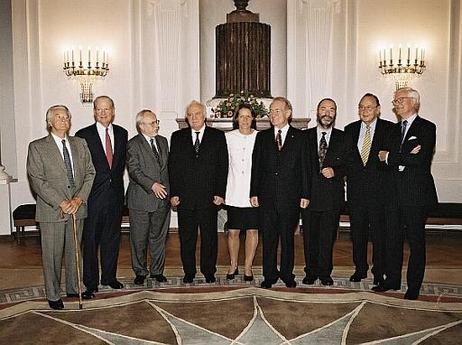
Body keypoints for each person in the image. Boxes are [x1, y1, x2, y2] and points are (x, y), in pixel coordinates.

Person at [27, 105, 95, 309]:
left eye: (66, 117)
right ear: (50, 122)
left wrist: (79, 199)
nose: (64, 120)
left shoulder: (80, 144)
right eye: (58, 117)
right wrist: (61, 202)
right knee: (52, 254)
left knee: (75, 251)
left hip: (77, 208)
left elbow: (90, 173)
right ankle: (53, 294)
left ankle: (75, 288)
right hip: (52, 210)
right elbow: (37, 180)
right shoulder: (37, 147)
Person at [376, 87, 438, 300]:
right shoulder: (392, 131)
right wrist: (402, 156)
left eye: (400, 100)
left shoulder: (427, 128)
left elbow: (419, 160)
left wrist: (393, 156)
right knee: (391, 240)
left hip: (416, 196)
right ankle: (392, 280)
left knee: (416, 242)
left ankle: (413, 286)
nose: (396, 104)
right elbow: (381, 160)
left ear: (414, 102)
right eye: (395, 101)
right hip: (392, 196)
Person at [250, 96, 310, 289]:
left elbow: (305, 169)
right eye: (271, 111)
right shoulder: (262, 137)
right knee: (268, 239)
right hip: (266, 198)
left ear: (288, 113)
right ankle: (269, 275)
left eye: (277, 110)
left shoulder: (300, 137)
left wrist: (305, 194)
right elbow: (256, 167)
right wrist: (254, 192)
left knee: (287, 239)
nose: (273, 114)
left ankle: (286, 274)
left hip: (290, 198)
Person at [168, 100, 228, 284]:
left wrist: (220, 192)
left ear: (204, 116)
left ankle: (209, 270)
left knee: (209, 238)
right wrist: (174, 193)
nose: (193, 118)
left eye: (197, 114)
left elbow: (222, 166)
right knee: (187, 238)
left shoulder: (217, 137)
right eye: (190, 115)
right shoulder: (177, 137)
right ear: (187, 118)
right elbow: (173, 167)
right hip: (185, 198)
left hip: (209, 197)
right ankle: (189, 272)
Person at [76, 96, 128, 299]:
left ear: (113, 110)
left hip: (115, 196)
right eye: (99, 109)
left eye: (107, 109)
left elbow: (120, 165)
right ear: (94, 112)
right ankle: (90, 282)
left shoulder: (122, 133)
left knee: (112, 239)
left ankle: (109, 277)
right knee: (89, 241)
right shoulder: (83, 135)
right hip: (92, 197)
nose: (103, 113)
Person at [344, 93, 394, 286]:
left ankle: (379, 270)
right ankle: (360, 269)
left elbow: (391, 161)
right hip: (356, 193)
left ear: (378, 109)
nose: (365, 111)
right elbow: (347, 160)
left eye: (369, 107)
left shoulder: (389, 129)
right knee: (357, 233)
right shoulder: (350, 130)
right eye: (362, 107)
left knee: (380, 234)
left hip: (380, 194)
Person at [301, 98, 350, 286]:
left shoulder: (343, 137)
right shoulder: (304, 137)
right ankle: (310, 271)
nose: (327, 113)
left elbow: (351, 165)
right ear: (317, 112)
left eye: (331, 109)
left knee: (327, 237)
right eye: (323, 109)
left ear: (335, 113)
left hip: (332, 197)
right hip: (309, 197)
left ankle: (325, 272)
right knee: (310, 237)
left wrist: (336, 171)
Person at [126, 110, 171, 285]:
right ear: (141, 126)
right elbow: (134, 171)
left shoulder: (163, 141)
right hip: (141, 200)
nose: (156, 125)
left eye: (156, 122)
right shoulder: (133, 144)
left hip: (162, 200)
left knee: (159, 237)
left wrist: (170, 194)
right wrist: (152, 185)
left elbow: (166, 170)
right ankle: (140, 271)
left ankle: (157, 271)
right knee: (139, 239)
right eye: (152, 123)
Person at [224, 104, 259, 281]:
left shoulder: (260, 138)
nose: (245, 120)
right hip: (234, 190)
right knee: (233, 231)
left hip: (254, 192)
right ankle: (233, 264)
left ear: (253, 118)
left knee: (253, 230)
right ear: (236, 118)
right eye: (241, 116)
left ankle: (248, 267)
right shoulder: (228, 137)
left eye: (248, 116)